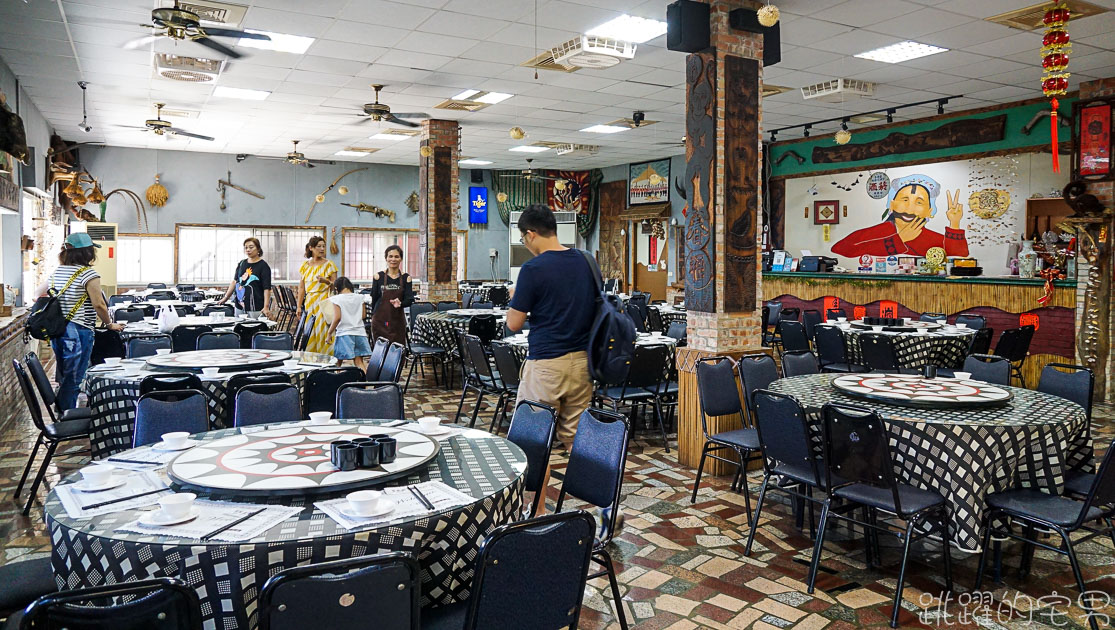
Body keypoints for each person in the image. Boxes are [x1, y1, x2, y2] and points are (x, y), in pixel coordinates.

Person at [506, 204, 597, 450]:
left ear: (531, 233)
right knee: (575, 441)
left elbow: (513, 323)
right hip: (582, 364)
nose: (524, 242)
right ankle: (582, 488)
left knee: (533, 442)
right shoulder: (586, 261)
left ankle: (538, 491)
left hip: (546, 365)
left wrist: (516, 296)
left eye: (523, 237)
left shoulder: (533, 269)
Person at [44, 233, 125, 410]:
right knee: (75, 378)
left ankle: (63, 409)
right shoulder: (88, 274)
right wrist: (110, 324)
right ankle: (66, 416)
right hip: (78, 331)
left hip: (59, 330)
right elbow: (100, 305)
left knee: (66, 374)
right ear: (87, 252)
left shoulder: (57, 272)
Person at [831, 173, 969, 258]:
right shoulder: (874, 232)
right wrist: (899, 239)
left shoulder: (934, 238)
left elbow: (959, 257)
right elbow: (840, 249)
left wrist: (954, 223)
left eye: (919, 202)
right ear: (892, 205)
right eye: (904, 200)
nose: (909, 208)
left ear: (929, 211)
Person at [297, 236, 337, 354]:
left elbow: (336, 286)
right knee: (310, 330)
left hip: (324, 300)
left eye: (323, 246)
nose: (322, 249)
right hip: (310, 301)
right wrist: (299, 306)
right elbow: (301, 287)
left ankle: (327, 361)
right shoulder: (305, 266)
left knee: (324, 329)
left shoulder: (329, 265)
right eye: (319, 246)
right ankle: (311, 361)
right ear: (311, 248)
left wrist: (326, 282)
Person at [368, 244, 414, 346]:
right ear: (386, 258)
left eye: (396, 256)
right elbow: (374, 299)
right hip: (380, 321)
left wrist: (401, 303)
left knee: (397, 350)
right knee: (380, 349)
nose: (393, 259)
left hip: (397, 322)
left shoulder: (406, 278)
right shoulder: (378, 277)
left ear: (401, 259)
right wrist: (373, 316)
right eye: (390, 256)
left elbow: (410, 300)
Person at [325, 277, 373, 372]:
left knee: (338, 362)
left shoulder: (336, 299)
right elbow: (363, 315)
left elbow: (337, 318)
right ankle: (365, 384)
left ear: (337, 288)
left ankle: (335, 382)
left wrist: (329, 333)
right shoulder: (360, 297)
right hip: (360, 333)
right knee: (359, 362)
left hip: (344, 333)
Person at [218, 237, 272, 318]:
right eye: (246, 247)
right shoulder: (242, 263)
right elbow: (235, 282)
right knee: (239, 328)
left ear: (258, 249)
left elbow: (266, 288)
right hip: (239, 305)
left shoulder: (263, 266)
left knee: (254, 328)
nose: (248, 250)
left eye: (251, 247)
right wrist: (225, 298)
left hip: (256, 306)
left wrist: (266, 307)